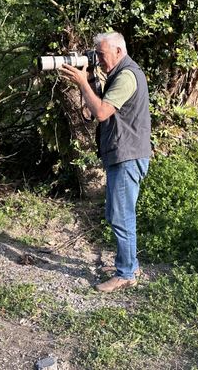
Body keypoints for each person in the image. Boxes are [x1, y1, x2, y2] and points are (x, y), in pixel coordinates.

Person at [59, 32, 152, 293]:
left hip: (127, 156)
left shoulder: (126, 75)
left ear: (119, 52)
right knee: (117, 214)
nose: (98, 59)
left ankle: (126, 273)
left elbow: (101, 112)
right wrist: (89, 78)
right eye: (96, 54)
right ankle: (128, 265)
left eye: (101, 54)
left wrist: (81, 83)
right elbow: (96, 107)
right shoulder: (117, 73)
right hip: (121, 154)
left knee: (121, 217)